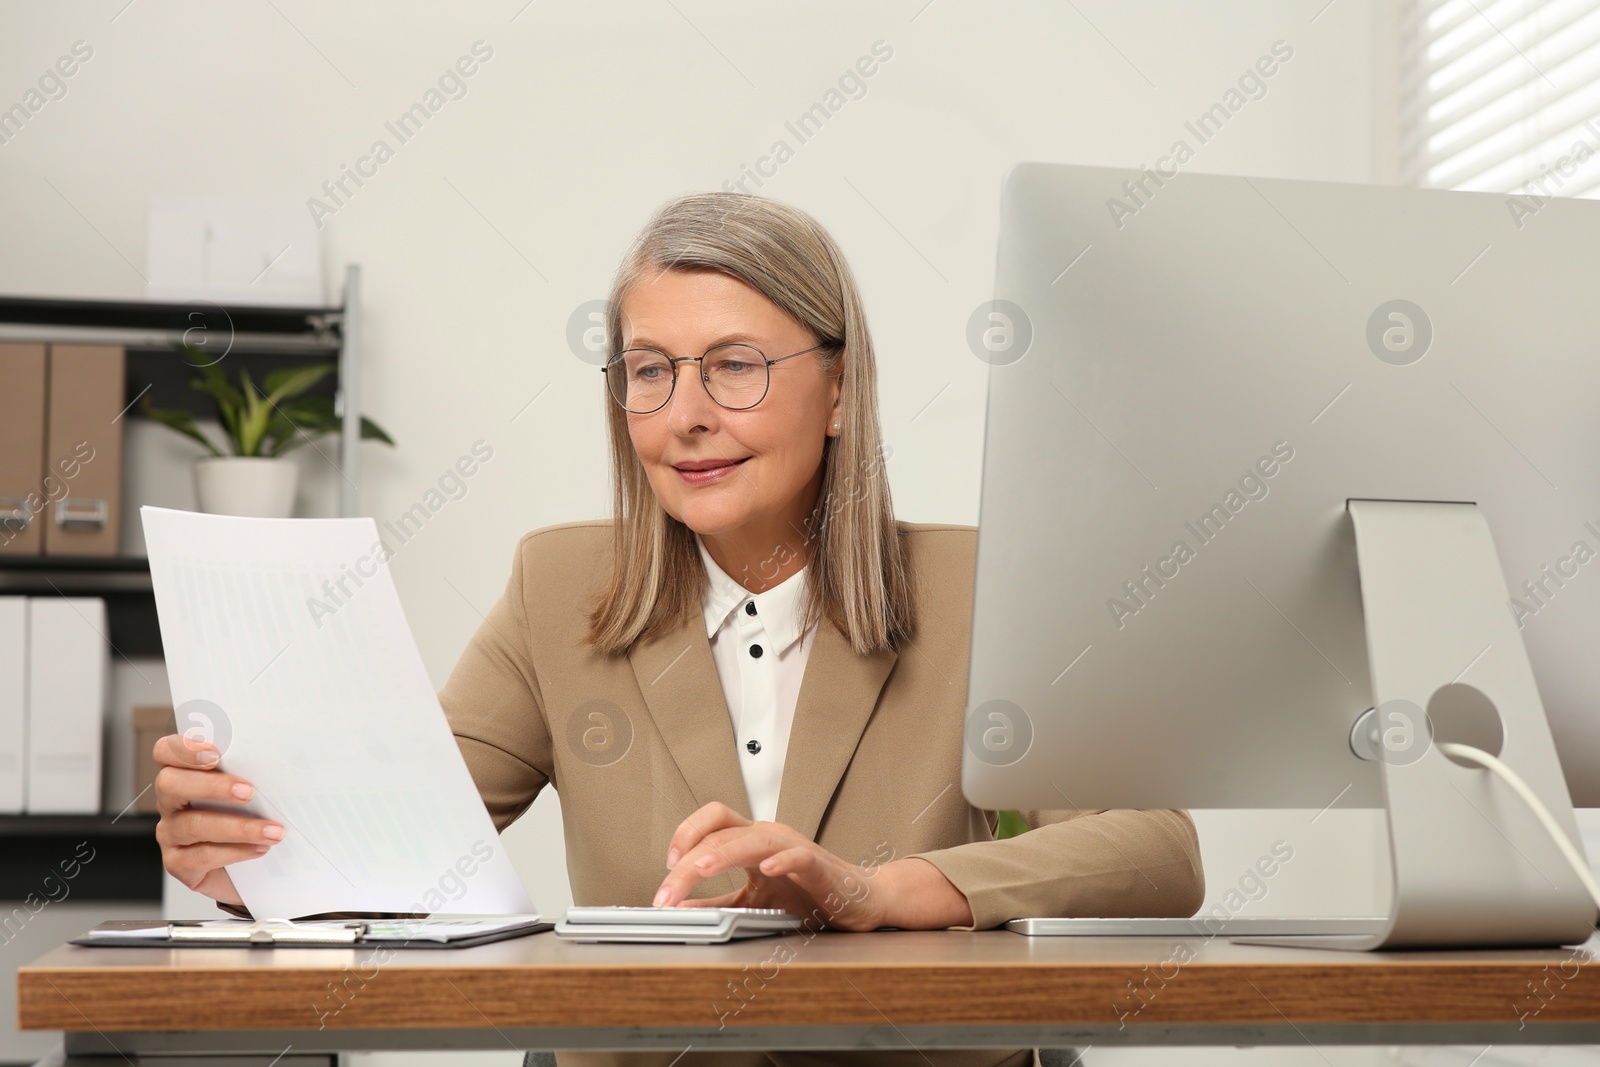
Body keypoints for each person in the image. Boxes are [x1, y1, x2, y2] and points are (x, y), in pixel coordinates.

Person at [152, 191, 1204, 1067]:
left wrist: (879, 891)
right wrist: (255, 858)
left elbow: (1158, 850)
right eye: (648, 369)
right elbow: (403, 841)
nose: (683, 414)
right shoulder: (559, 585)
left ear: (838, 389)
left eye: (733, 364)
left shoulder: (977, 584)